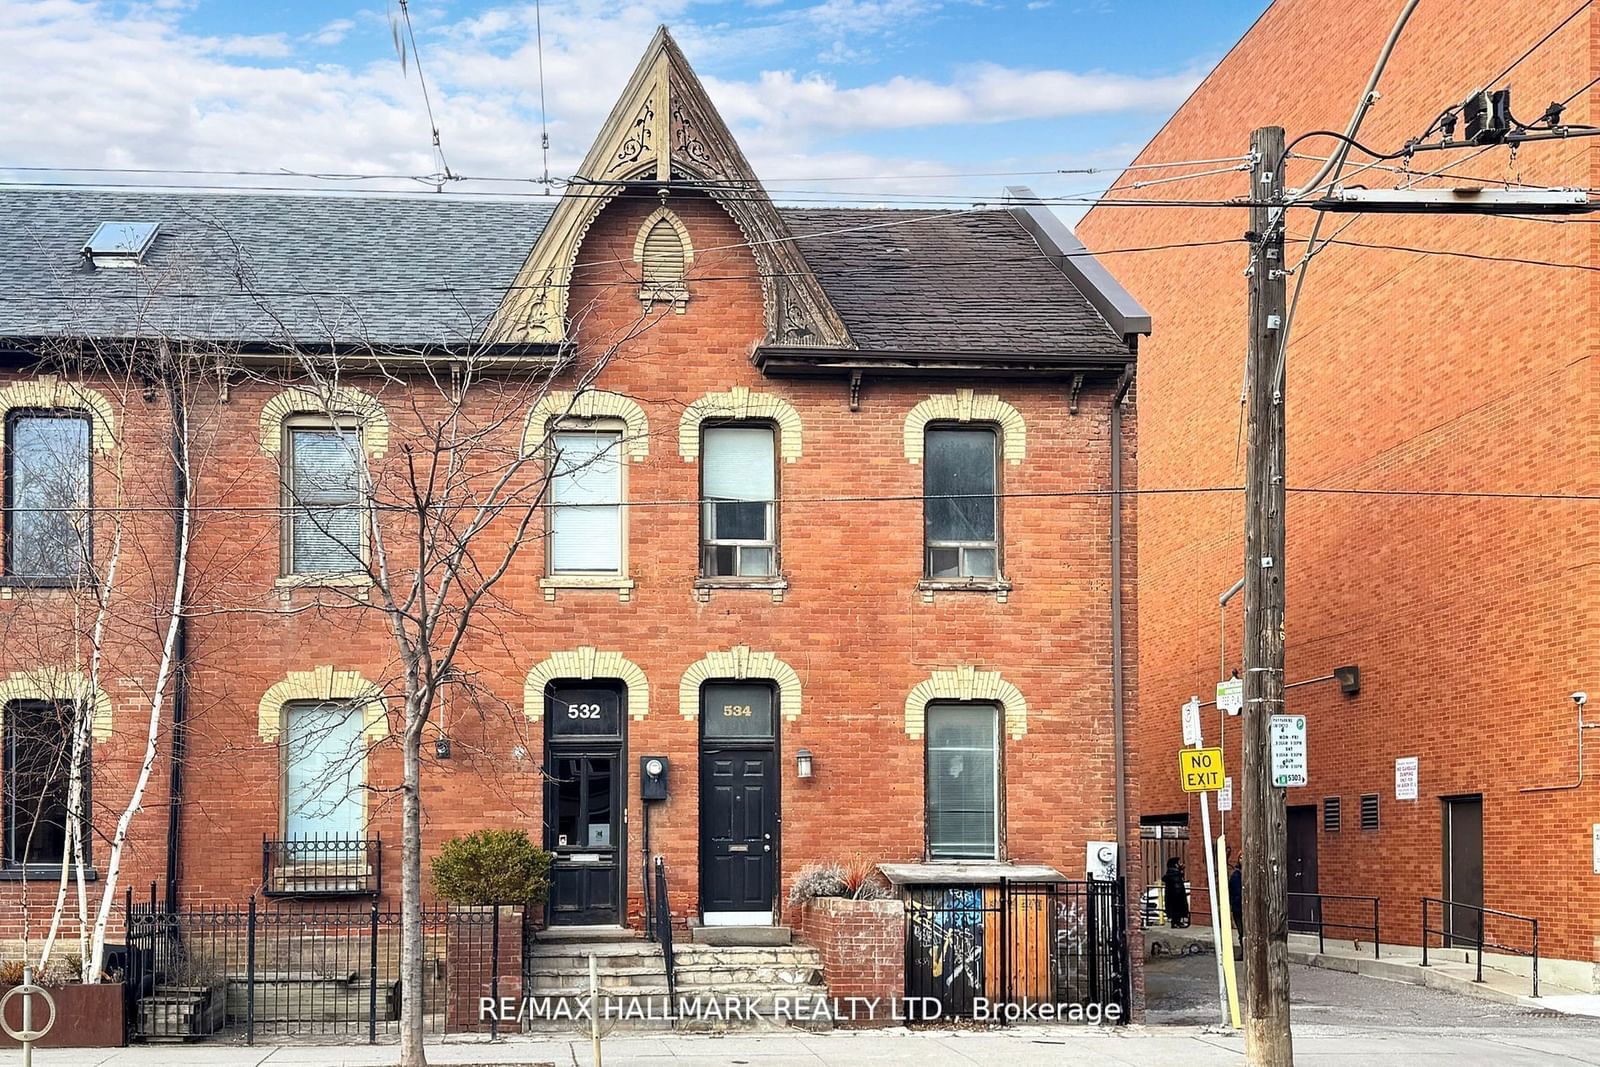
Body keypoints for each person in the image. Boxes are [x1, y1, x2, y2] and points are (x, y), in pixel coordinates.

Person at [1160, 857, 1190, 927]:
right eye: (1178, 863)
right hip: (1176, 896)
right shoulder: (1175, 873)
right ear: (1175, 864)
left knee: (1174, 909)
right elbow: (1177, 884)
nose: (1180, 864)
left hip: (1171, 895)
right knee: (1177, 909)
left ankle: (1175, 923)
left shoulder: (1171, 873)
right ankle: (1176, 922)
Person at [1228, 853, 1244, 945]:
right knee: (1241, 931)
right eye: (1240, 858)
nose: (1242, 860)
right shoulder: (1236, 874)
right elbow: (1231, 891)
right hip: (1238, 908)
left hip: (1249, 908)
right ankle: (1243, 950)